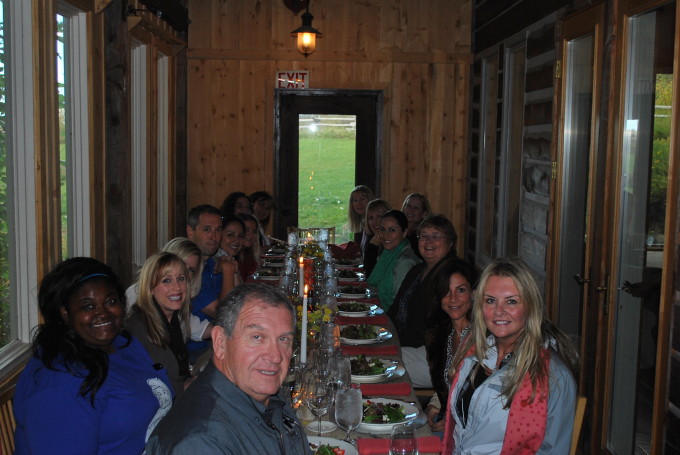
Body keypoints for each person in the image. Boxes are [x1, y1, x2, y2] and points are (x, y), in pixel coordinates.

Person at [14, 257, 173, 454]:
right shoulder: (59, 385)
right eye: (88, 306)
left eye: (110, 301)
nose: (102, 313)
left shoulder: (121, 343)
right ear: (65, 313)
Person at [146, 284, 311, 454]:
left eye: (283, 339)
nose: (276, 356)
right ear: (220, 342)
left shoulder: (263, 397)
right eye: (257, 337)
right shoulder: (200, 442)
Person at [443, 257, 579, 454]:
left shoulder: (553, 376)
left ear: (530, 307)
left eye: (511, 301)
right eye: (490, 301)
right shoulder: (473, 353)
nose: (499, 311)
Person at [388, 215, 458, 388]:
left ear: (449, 242)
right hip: (408, 345)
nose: (428, 241)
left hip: (435, 355)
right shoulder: (418, 270)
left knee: (382, 367)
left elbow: (430, 330)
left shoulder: (452, 277)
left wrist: (391, 341)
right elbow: (394, 309)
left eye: (436, 236)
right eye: (424, 236)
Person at [125, 252, 193, 396]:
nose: (177, 288)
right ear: (149, 288)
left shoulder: (174, 321)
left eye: (181, 279)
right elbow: (145, 389)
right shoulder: (136, 329)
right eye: (167, 281)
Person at [423, 257, 478, 434]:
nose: (453, 299)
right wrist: (433, 406)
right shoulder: (438, 336)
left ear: (474, 293)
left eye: (461, 290)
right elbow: (447, 385)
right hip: (445, 422)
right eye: (446, 291)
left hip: (471, 431)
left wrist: (452, 421)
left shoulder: (484, 339)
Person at [126, 237, 212, 343]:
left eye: (190, 270)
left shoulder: (177, 303)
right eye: (167, 280)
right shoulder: (137, 295)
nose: (184, 272)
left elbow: (198, 328)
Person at [185, 205, 232, 355]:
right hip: (195, 352)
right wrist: (228, 271)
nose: (214, 236)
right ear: (190, 232)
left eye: (218, 230)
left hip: (215, 343)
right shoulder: (187, 271)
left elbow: (237, 301)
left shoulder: (212, 263)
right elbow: (224, 315)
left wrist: (232, 269)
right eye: (207, 230)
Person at [367, 210, 421, 312]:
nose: (385, 235)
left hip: (392, 319)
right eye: (382, 229)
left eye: (392, 230)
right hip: (380, 310)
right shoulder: (387, 253)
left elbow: (400, 304)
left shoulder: (405, 262)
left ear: (404, 232)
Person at [363, 198, 391, 276]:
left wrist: (372, 247)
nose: (375, 221)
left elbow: (372, 275)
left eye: (379, 216)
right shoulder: (374, 239)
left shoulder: (391, 243)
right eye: (371, 218)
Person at [401, 193, 432, 257]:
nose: (411, 210)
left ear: (424, 213)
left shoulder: (421, 236)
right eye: (408, 206)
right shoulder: (397, 230)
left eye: (416, 208)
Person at [236, 213, 261, 281]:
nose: (251, 235)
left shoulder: (247, 254)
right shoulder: (233, 256)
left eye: (254, 231)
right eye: (247, 230)